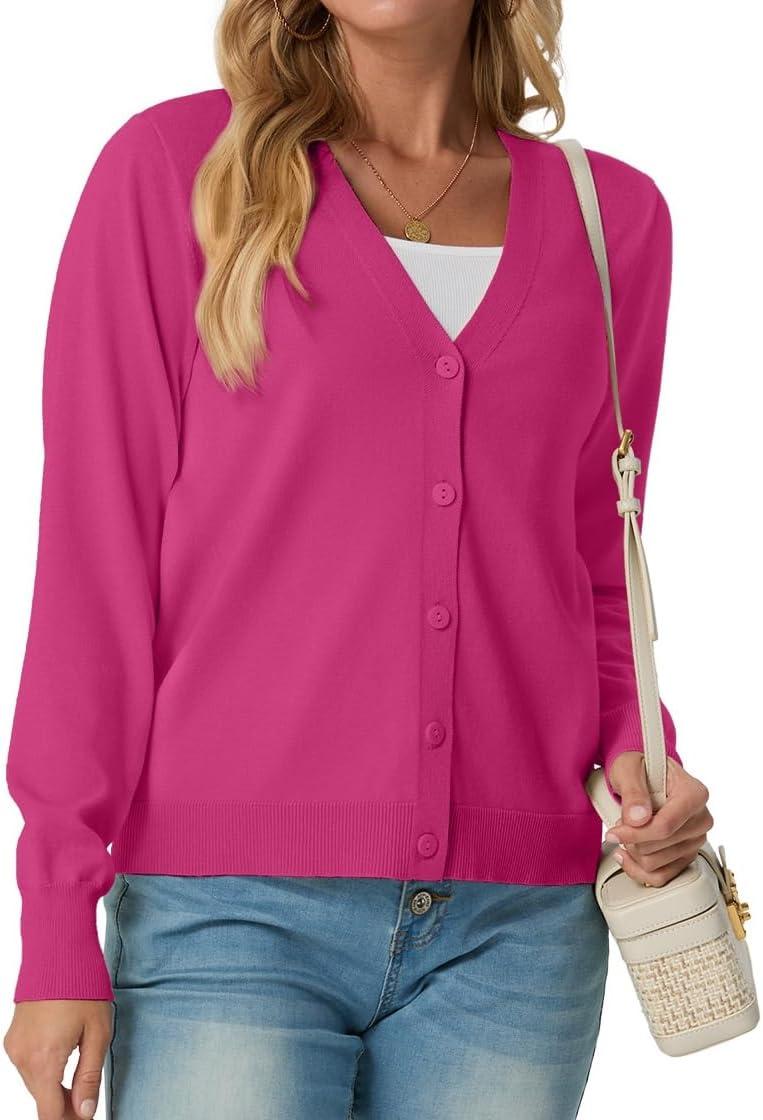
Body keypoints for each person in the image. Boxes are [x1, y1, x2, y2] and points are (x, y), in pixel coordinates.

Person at [3, 2, 713, 1118]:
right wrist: (56, 922)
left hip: (518, 934)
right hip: (227, 919)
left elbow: (593, 561)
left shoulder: (611, 217)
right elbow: (96, 559)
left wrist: (641, 750)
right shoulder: (177, 171)